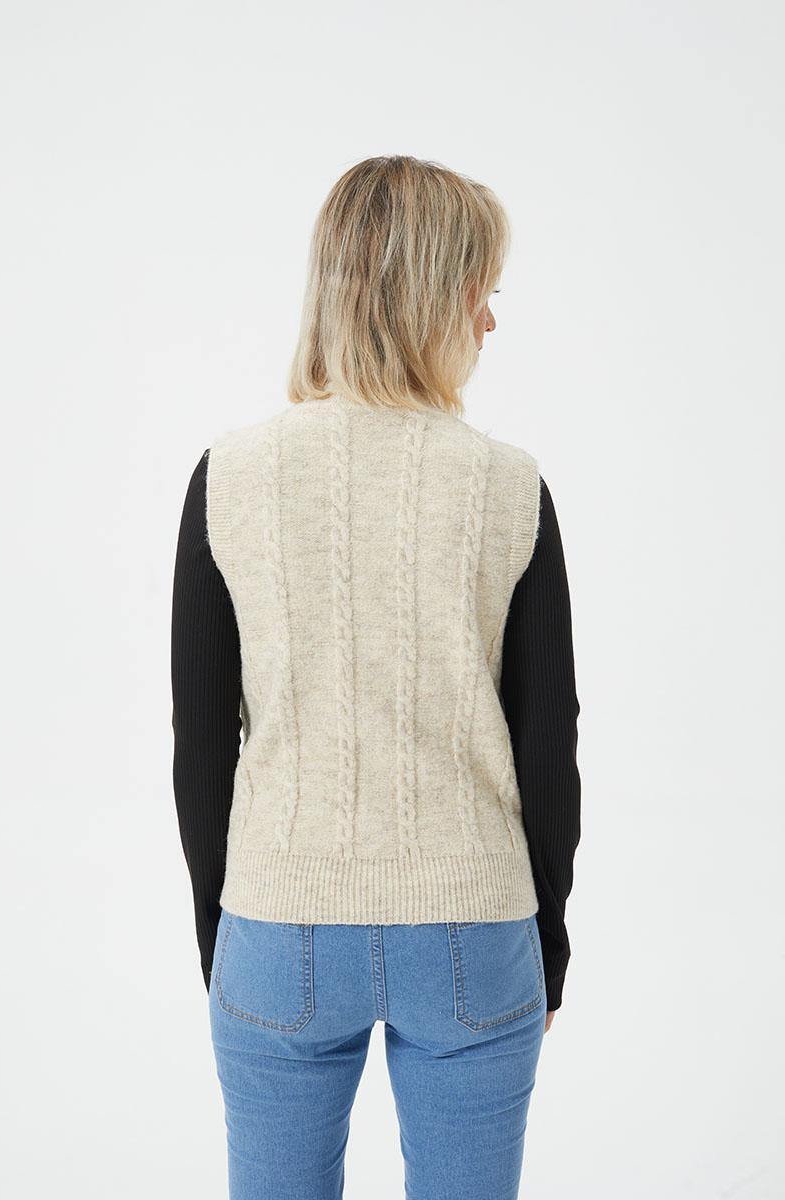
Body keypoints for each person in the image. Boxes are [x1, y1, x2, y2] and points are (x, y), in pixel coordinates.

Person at [171, 154, 581, 1200]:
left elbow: (200, 741)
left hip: (277, 921)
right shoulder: (509, 487)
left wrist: (220, 932)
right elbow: (547, 743)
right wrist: (548, 937)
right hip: (474, 928)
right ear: (432, 298)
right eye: (479, 290)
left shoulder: (228, 478)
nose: (489, 321)